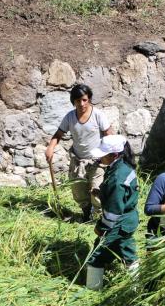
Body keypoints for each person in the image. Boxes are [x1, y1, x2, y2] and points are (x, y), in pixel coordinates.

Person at [45, 83, 117, 222]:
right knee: (79, 192)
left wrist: (113, 154)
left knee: (97, 191)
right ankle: (86, 214)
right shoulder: (70, 117)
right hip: (78, 161)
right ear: (73, 101)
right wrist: (50, 147)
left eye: (84, 100)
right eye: (78, 101)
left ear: (89, 99)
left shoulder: (97, 115)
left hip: (98, 161)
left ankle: (99, 219)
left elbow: (109, 134)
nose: (82, 104)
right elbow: (58, 134)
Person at [86, 135, 139, 290]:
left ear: (114, 155)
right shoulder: (121, 166)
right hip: (128, 219)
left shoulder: (117, 177)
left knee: (97, 255)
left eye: (103, 155)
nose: (100, 158)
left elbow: (114, 211)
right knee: (126, 250)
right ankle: (137, 287)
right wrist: (101, 192)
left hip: (119, 221)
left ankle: (92, 290)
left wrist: (101, 228)